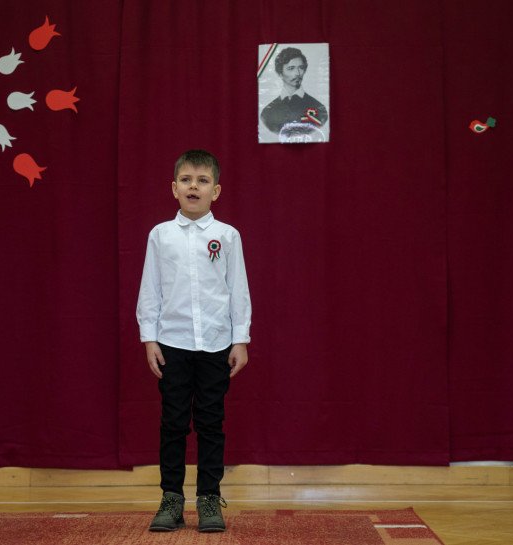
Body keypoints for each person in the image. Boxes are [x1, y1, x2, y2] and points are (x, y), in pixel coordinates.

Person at [136, 149, 252, 533]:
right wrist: (149, 338)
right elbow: (150, 289)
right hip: (173, 343)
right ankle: (171, 499)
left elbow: (237, 290)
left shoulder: (227, 236)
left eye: (203, 181)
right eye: (186, 180)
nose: (194, 187)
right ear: (174, 188)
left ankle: (208, 499)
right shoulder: (160, 235)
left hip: (216, 344)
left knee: (210, 423)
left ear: (215, 191)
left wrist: (240, 339)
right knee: (172, 423)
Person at [260, 46, 329, 134]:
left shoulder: (319, 108)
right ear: (280, 73)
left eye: (301, 68)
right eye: (291, 68)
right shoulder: (267, 113)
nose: (297, 73)